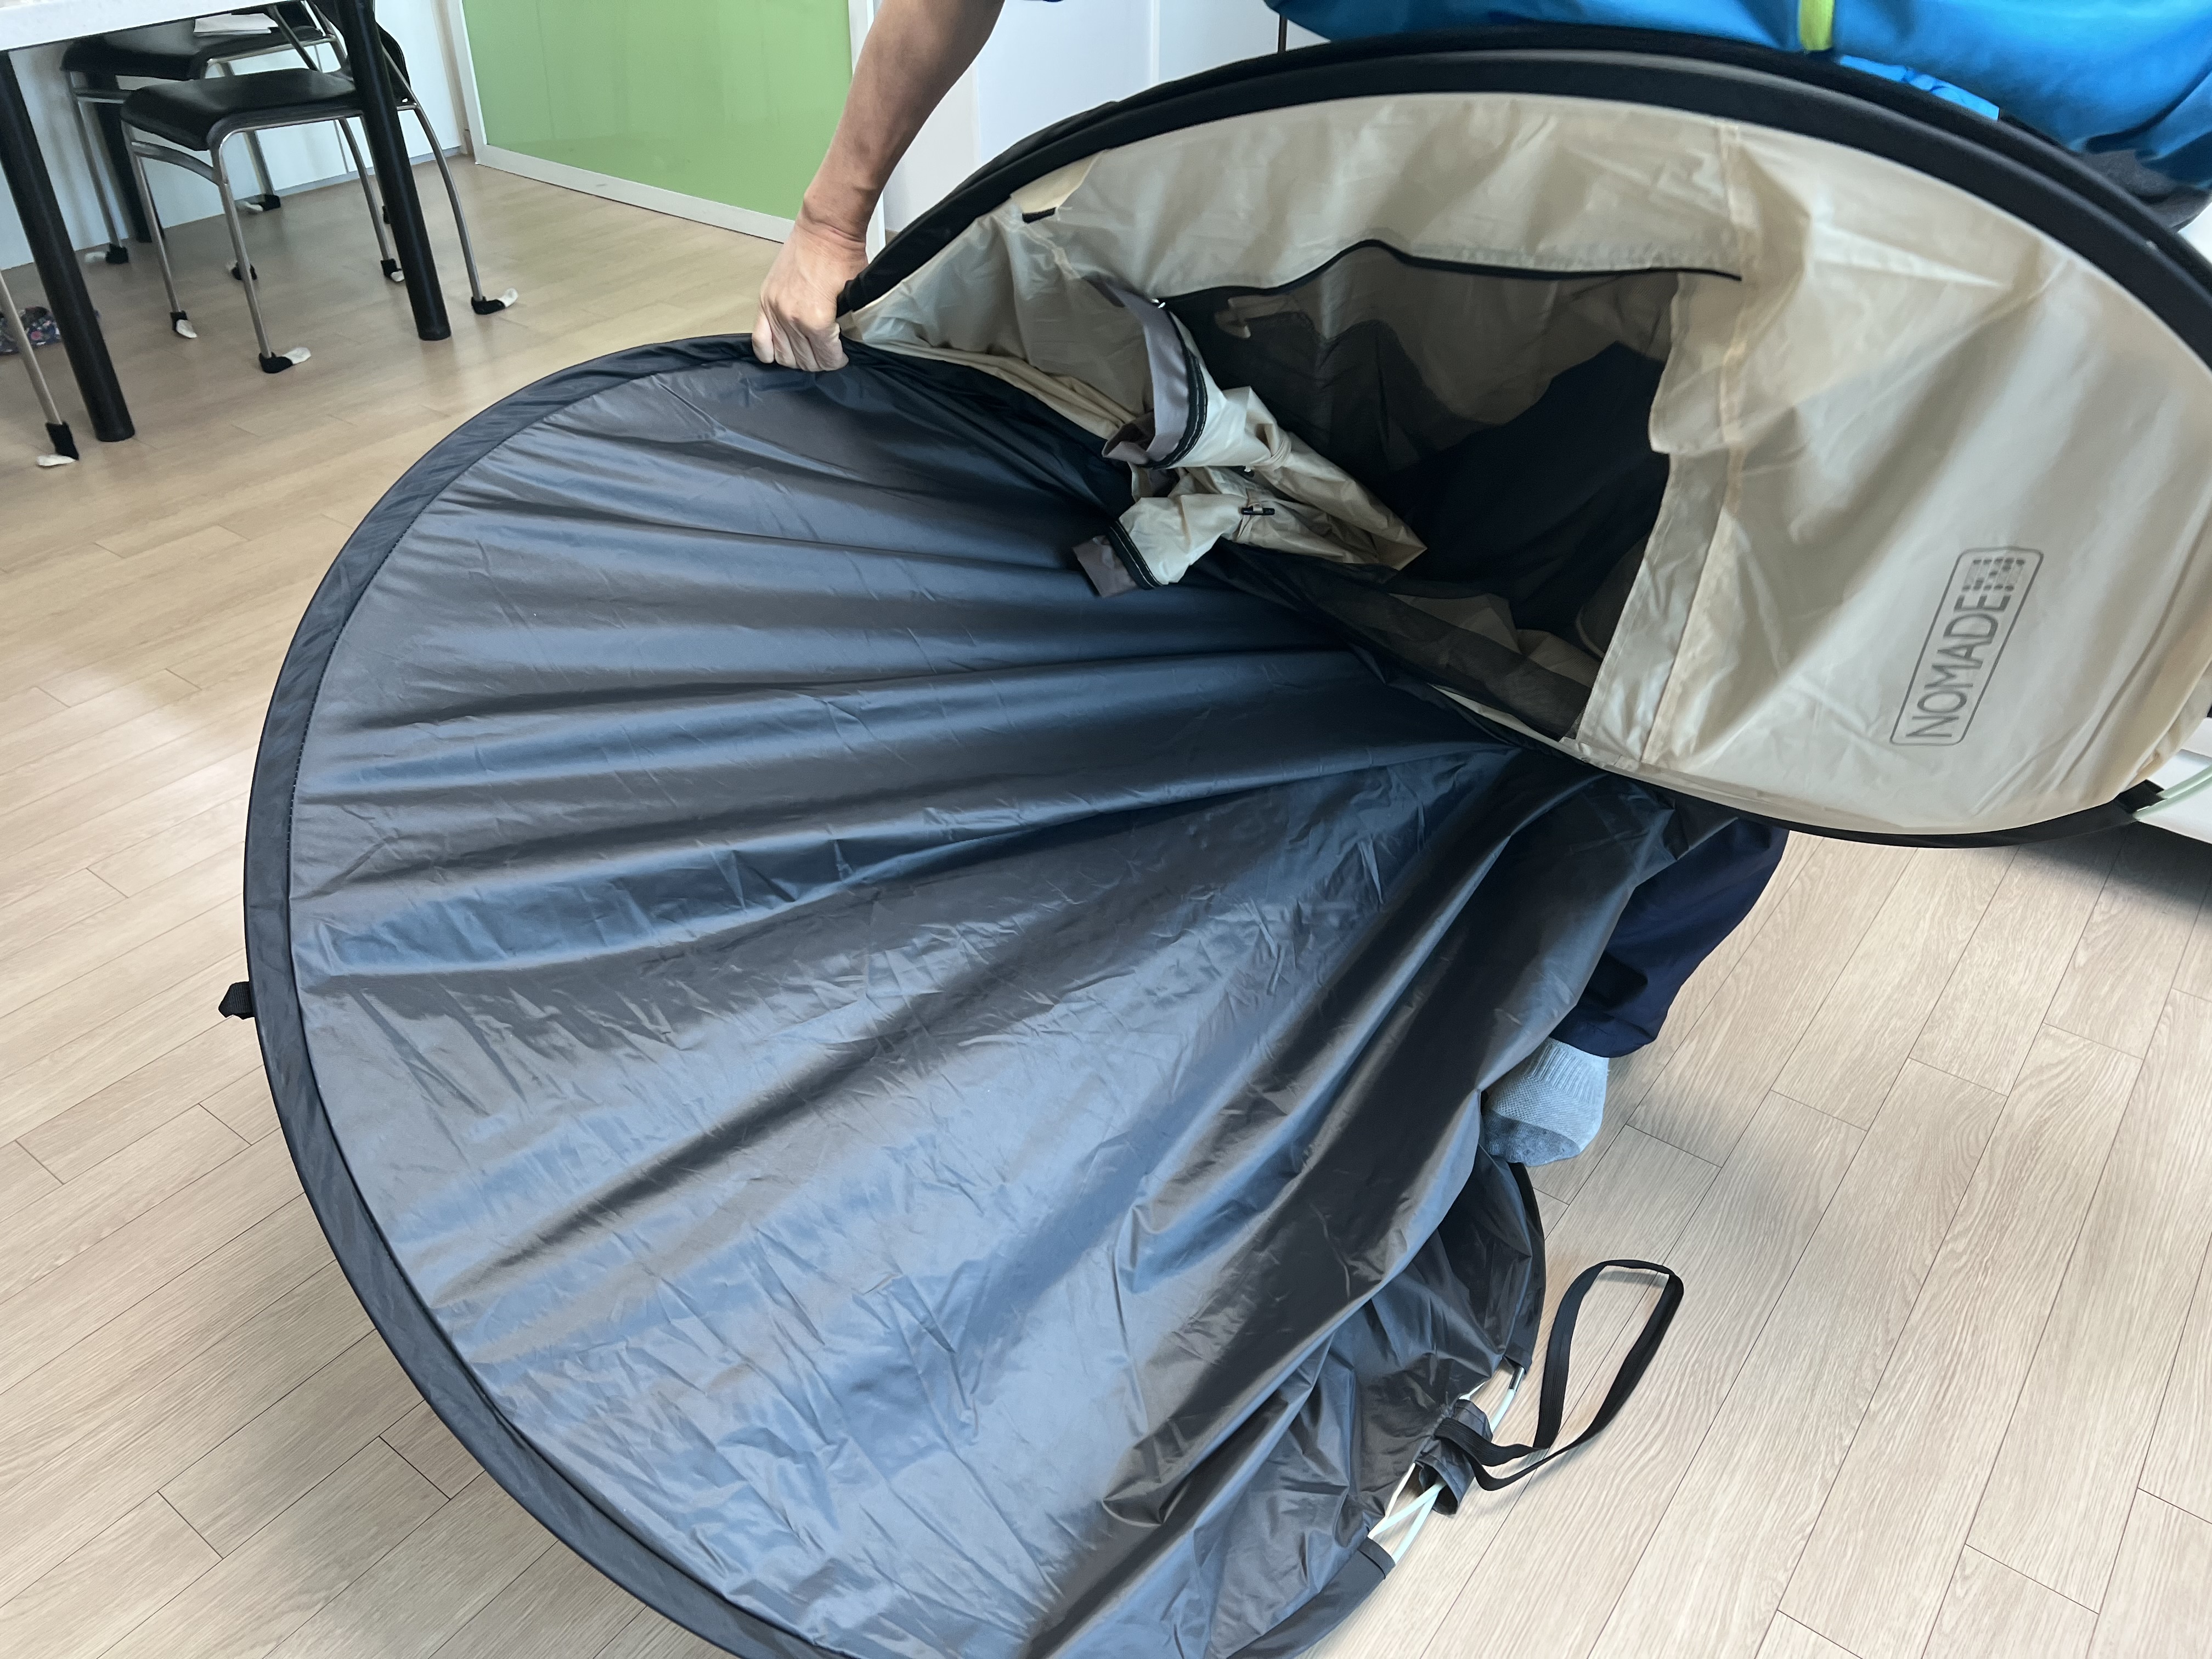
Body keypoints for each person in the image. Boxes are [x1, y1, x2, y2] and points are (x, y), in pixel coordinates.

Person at [746, 0, 2193, 1164]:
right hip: (1471, 248)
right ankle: (1344, 928)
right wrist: (830, 219)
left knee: (1726, 680)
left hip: (1867, 313)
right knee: (1398, 586)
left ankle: (1592, 1013)